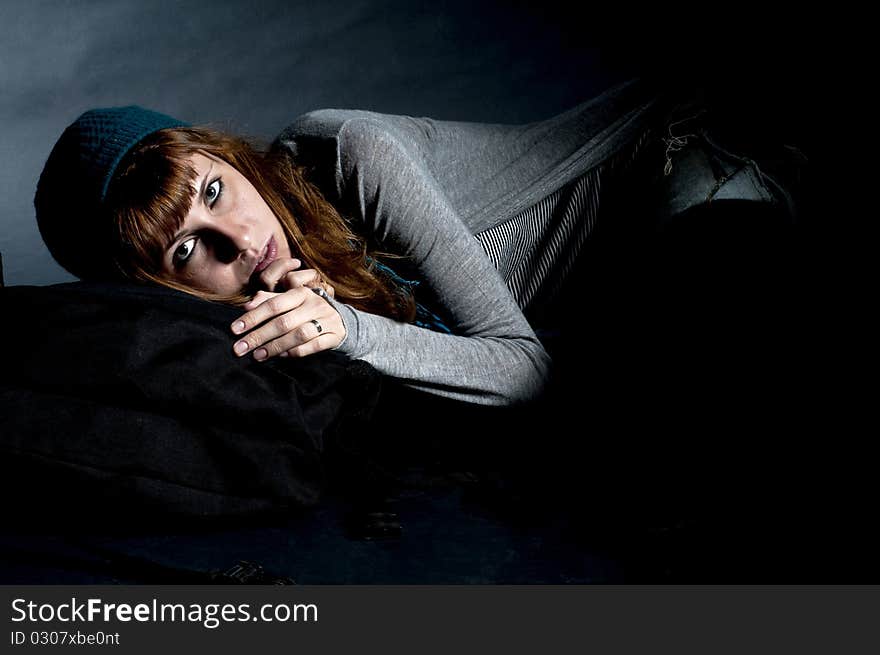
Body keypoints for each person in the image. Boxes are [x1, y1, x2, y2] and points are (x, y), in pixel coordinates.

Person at [33, 79, 798, 408]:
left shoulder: (353, 153)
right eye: (186, 251)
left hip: (682, 160)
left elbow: (522, 368)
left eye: (212, 190)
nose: (238, 240)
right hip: (623, 280)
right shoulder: (267, 297)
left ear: (226, 156)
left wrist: (354, 330)